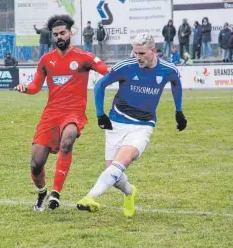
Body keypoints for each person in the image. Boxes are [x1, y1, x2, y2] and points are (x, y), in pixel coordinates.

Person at [77, 33, 187, 217]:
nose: (138, 57)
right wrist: (100, 115)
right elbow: (99, 86)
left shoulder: (168, 69)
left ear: (153, 51)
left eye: (142, 53)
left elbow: (176, 84)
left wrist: (179, 111)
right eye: (135, 52)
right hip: (116, 122)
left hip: (143, 126)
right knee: (113, 173)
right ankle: (130, 192)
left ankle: (90, 196)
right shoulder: (126, 67)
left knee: (121, 163)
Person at [14, 15, 109, 211]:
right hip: (51, 115)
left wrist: (123, 76)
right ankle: (42, 192)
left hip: (73, 113)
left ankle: (55, 193)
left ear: (70, 33)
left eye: (62, 33)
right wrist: (26, 88)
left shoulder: (84, 57)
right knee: (36, 164)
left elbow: (105, 70)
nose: (59, 37)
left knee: (68, 140)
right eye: (56, 34)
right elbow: (35, 86)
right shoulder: (46, 60)